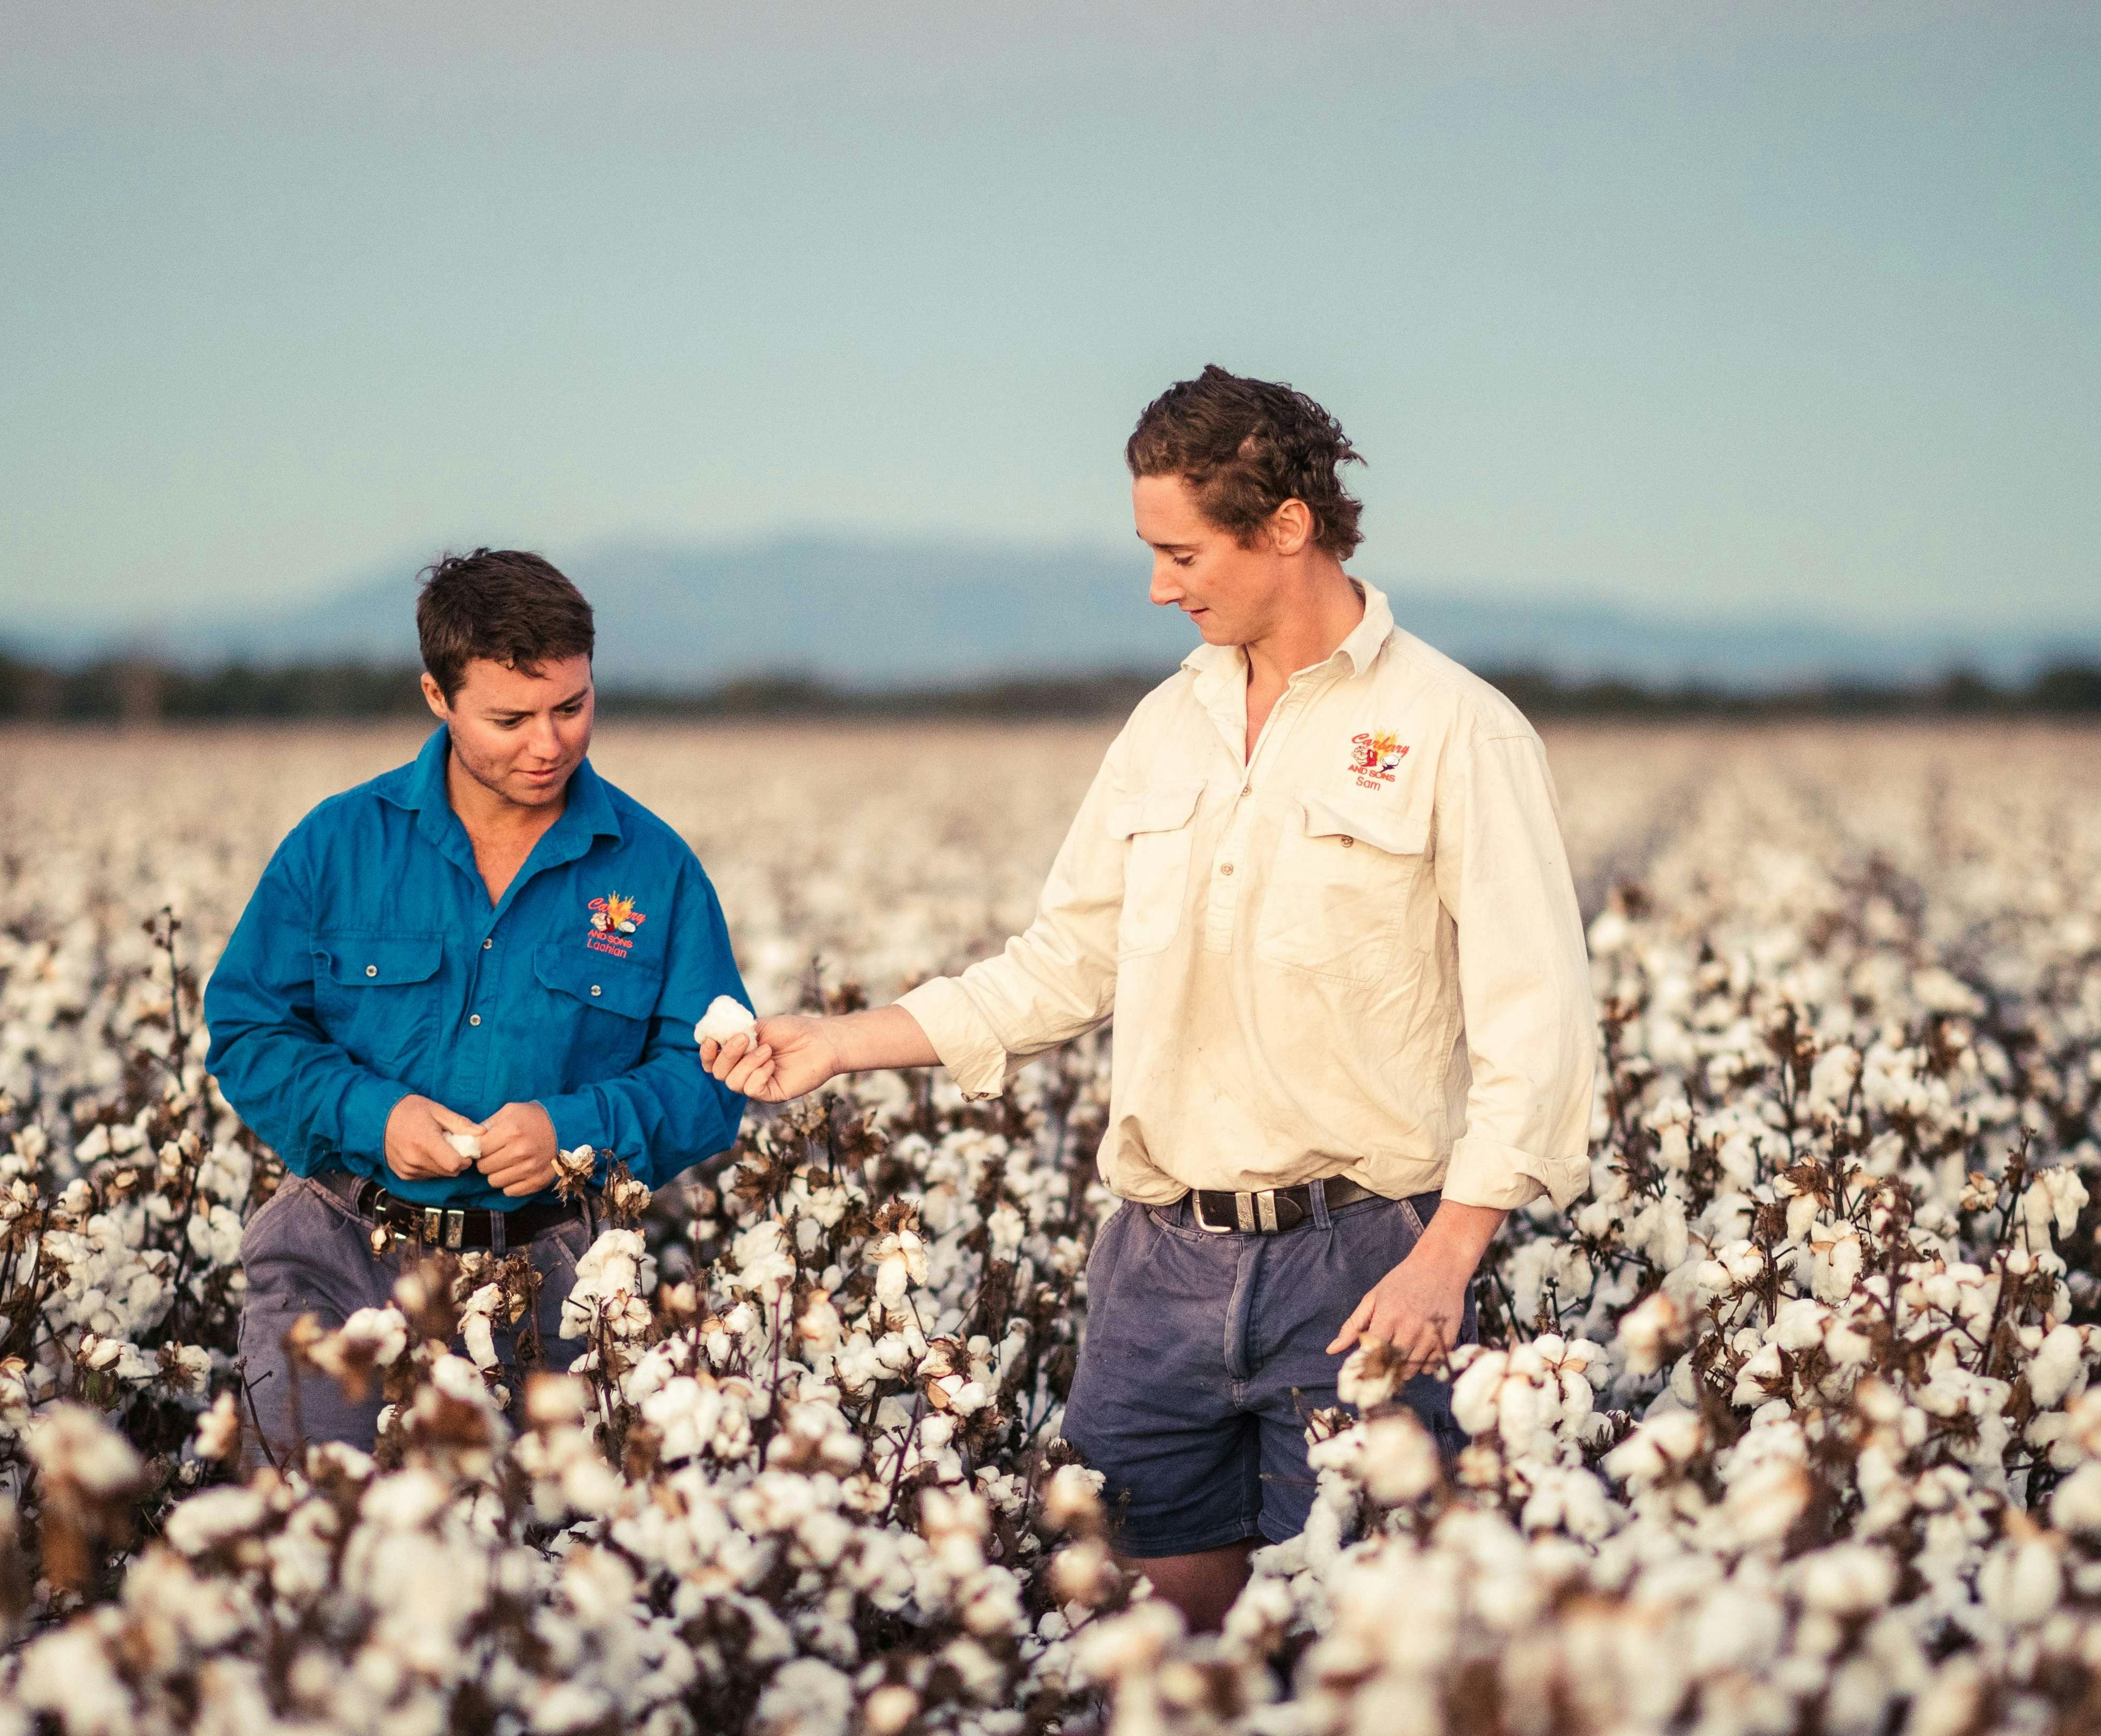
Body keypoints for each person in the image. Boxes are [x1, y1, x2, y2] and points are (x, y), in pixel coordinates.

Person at [704, 367, 1597, 1632]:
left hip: (1361, 1264)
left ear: (1286, 527)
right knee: (1136, 1655)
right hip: (1154, 1266)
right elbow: (1064, 961)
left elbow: (1536, 1024)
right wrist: (842, 1044)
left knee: (1350, 1654)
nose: (1159, 586)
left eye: (1180, 552)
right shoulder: (1165, 725)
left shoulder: (1457, 729)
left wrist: (1448, 1258)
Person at [208, 548, 747, 1467]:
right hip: (337, 1259)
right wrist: (371, 1116)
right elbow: (248, 1030)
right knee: (312, 1556)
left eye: (572, 707)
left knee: (530, 1577)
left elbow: (712, 1080)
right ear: (437, 697)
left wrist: (573, 1131)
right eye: (510, 718)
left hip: (555, 1281)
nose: (549, 744)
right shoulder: (336, 845)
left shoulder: (655, 868)